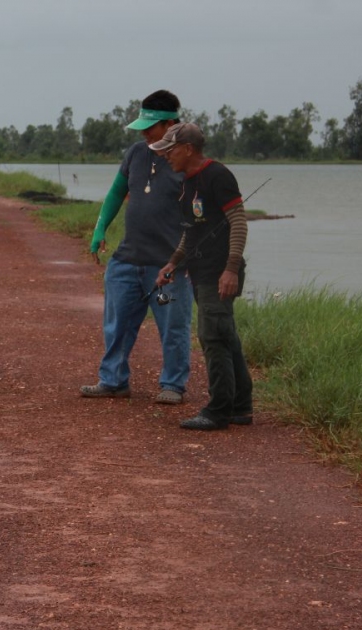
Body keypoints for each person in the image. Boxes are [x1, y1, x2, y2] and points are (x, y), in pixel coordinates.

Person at [80, 90, 193, 404]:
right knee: (117, 324)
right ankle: (113, 380)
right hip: (127, 259)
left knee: (173, 328)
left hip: (169, 264)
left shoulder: (186, 160)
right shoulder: (134, 153)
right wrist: (100, 228)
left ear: (171, 124)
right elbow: (116, 193)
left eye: (151, 126)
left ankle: (173, 385)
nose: (144, 132)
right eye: (142, 126)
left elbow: (202, 214)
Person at [150, 123, 253, 431]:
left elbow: (239, 221)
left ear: (188, 149)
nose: (166, 156)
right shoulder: (187, 185)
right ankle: (240, 406)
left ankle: (218, 410)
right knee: (226, 336)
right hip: (201, 272)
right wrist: (173, 263)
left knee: (213, 338)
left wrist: (231, 268)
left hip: (220, 273)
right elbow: (191, 232)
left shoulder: (217, 176)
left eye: (170, 150)